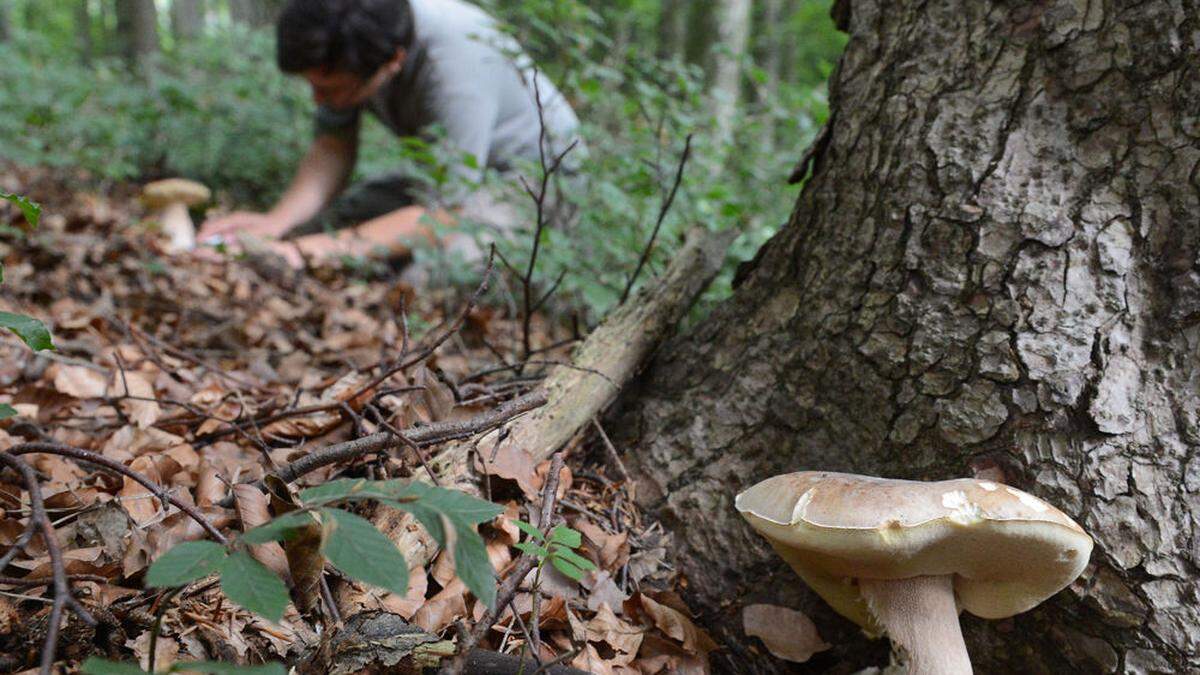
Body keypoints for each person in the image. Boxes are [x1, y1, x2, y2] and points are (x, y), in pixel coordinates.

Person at [198, 0, 582, 267]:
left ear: (393, 62)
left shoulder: (455, 67)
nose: (318, 100)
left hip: (537, 181)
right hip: (455, 182)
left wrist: (306, 253)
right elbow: (332, 147)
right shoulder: (355, 38)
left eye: (330, 90)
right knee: (323, 227)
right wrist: (274, 225)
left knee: (436, 271)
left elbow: (444, 215)